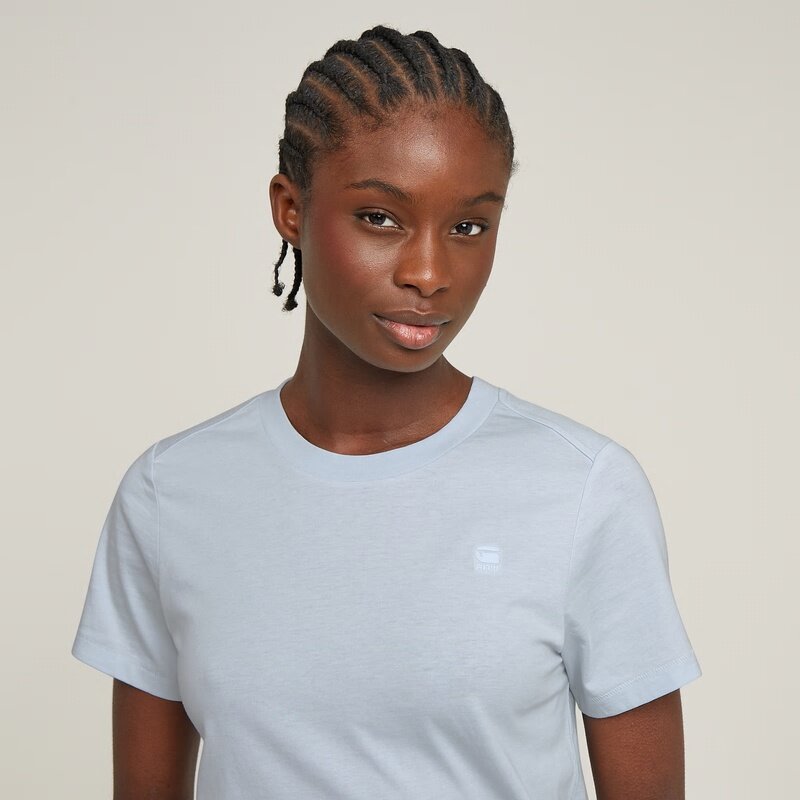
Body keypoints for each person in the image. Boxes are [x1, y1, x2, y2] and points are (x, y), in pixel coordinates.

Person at [71, 24, 702, 800]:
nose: (430, 272)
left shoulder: (582, 490)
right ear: (291, 209)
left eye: (468, 226)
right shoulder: (171, 494)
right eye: (380, 217)